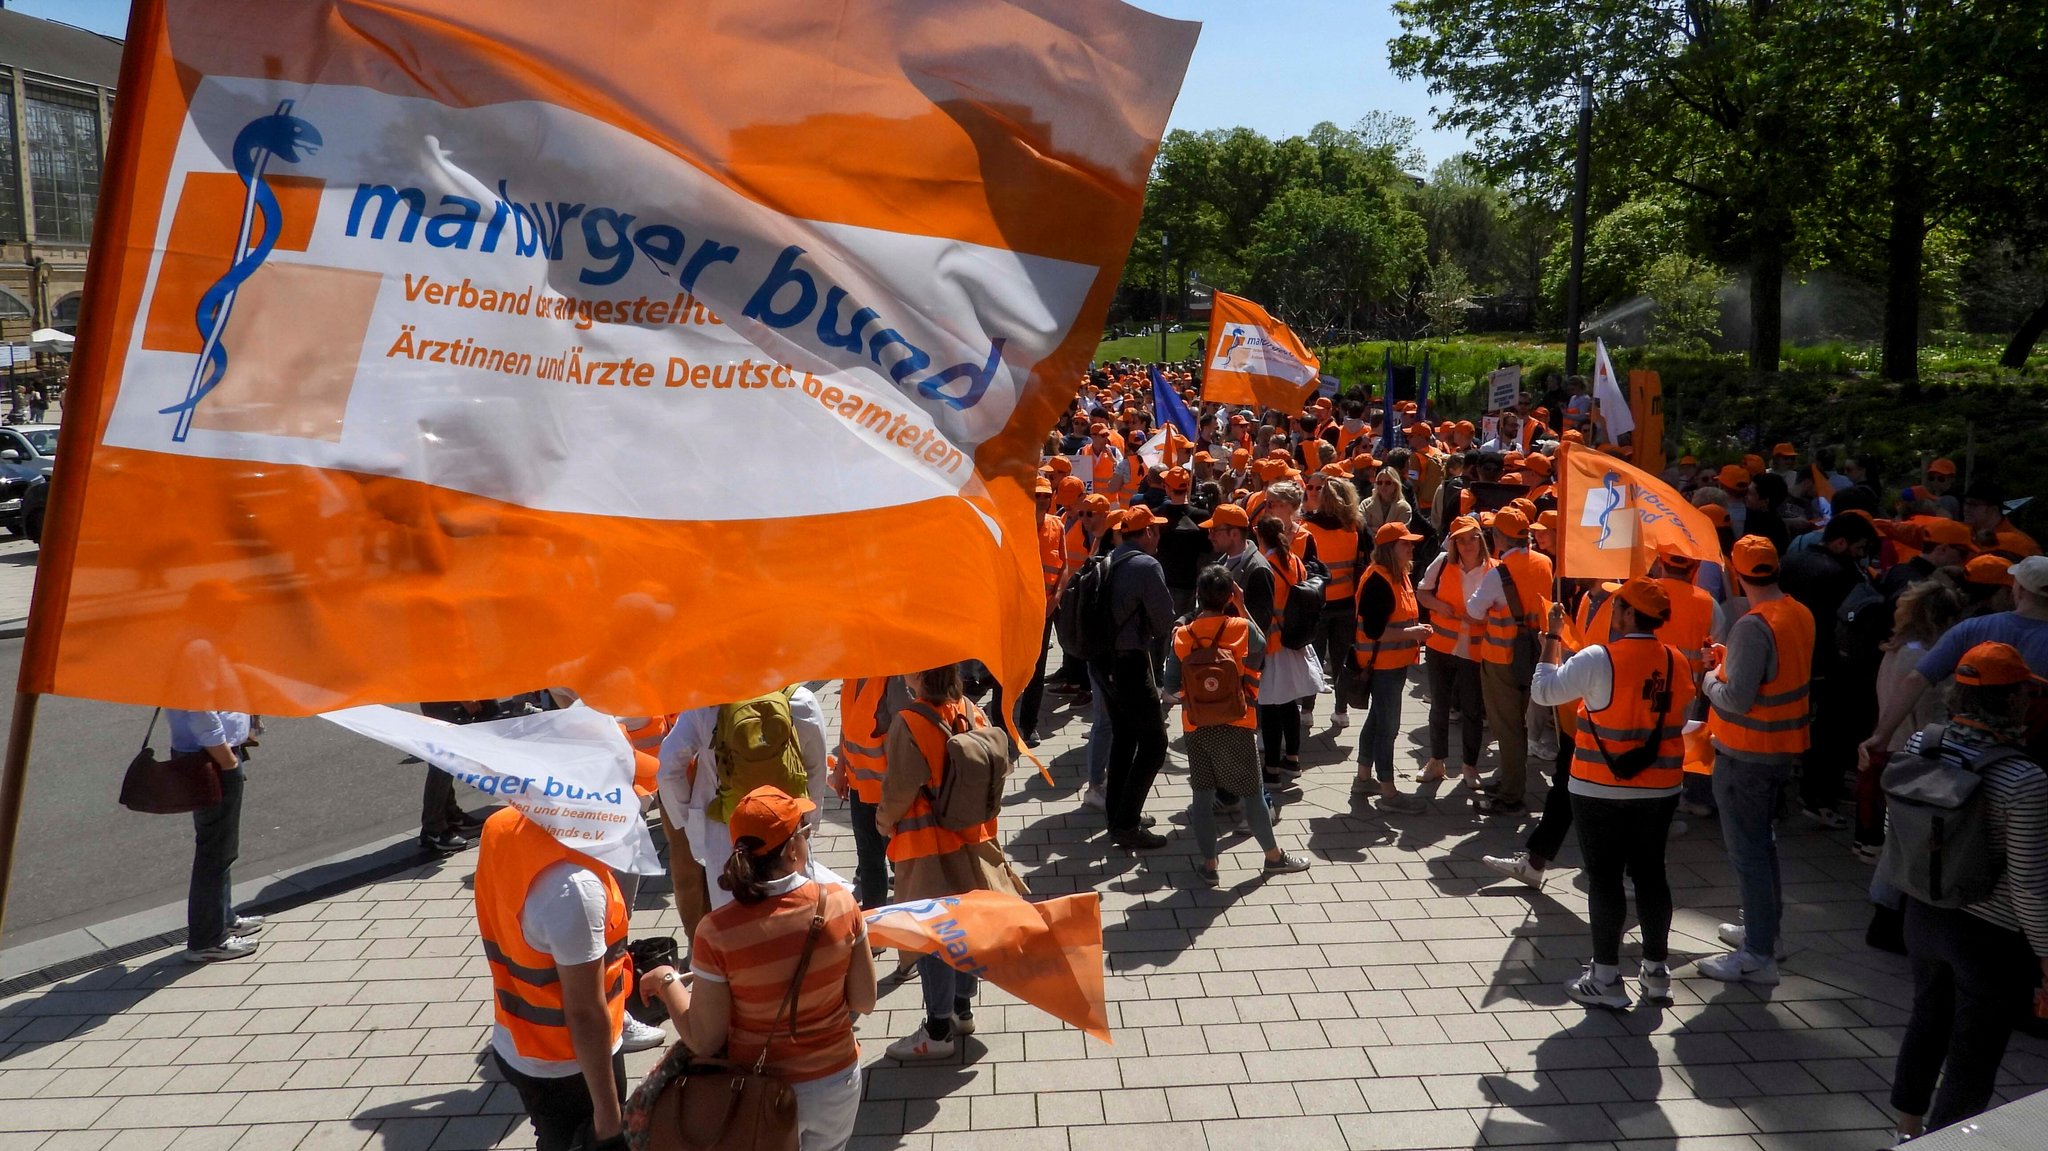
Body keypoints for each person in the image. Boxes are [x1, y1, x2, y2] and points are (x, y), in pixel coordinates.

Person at [637, 786, 876, 1151]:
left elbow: (705, 1038)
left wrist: (668, 982)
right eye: (804, 831)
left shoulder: (717, 931)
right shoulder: (841, 904)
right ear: (793, 848)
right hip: (836, 1079)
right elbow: (864, 999)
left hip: (755, 1089)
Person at [1881, 644, 2048, 1143]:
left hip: (1923, 915)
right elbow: (2029, 884)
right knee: (1974, 1050)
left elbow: (1898, 831)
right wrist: (2046, 953)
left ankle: (1907, 1129)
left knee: (1927, 1017)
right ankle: (1946, 1140)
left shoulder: (1920, 747)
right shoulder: (2024, 779)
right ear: (2015, 699)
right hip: (1990, 937)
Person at [1530, 578, 1694, 1008]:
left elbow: (1544, 690)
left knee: (1604, 877)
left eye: (1616, 605)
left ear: (1626, 614)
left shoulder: (1598, 657)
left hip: (1599, 787)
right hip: (1660, 787)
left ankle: (1605, 978)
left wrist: (1550, 636)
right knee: (1651, 874)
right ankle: (1657, 973)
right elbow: (1683, 712)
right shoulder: (1677, 661)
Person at [877, 665, 1029, 1058]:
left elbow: (898, 789)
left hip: (926, 844)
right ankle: (962, 1010)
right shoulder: (969, 708)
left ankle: (938, 1029)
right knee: (964, 928)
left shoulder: (909, 722)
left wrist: (882, 821)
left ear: (916, 676)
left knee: (934, 937)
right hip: (971, 840)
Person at [474, 805, 632, 1151]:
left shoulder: (500, 826)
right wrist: (608, 1114)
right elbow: (585, 1012)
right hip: (571, 1066)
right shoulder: (574, 887)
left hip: (517, 1040)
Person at [1698, 538, 1814, 983]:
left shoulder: (1751, 624)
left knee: (1748, 852)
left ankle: (1758, 954)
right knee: (1763, 847)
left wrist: (1710, 678)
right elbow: (1770, 678)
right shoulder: (1797, 612)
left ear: (1736, 571)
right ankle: (1767, 936)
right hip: (1779, 749)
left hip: (1746, 755)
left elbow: (1737, 698)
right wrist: (1729, 663)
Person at [1175, 566, 1313, 884]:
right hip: (1238, 722)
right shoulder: (1241, 628)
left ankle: (1210, 866)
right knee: (1252, 794)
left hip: (1196, 726)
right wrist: (1242, 604)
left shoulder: (1183, 636)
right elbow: (1263, 646)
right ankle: (1273, 858)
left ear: (1198, 596)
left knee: (1202, 796)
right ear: (1229, 596)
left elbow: (1171, 683)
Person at [656, 688, 831, 920]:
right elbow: (816, 769)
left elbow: (668, 769)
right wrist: (810, 822)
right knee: (798, 914)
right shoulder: (800, 700)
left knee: (734, 920)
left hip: (726, 832)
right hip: (787, 829)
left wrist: (687, 821)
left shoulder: (705, 705)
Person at [1780, 512, 1880, 828]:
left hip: (1789, 656)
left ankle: (1795, 793)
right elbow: (1849, 623)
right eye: (1859, 547)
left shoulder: (1793, 560)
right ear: (1840, 543)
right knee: (1829, 732)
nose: (1861, 555)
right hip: (1831, 663)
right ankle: (1819, 797)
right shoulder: (1842, 574)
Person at [1096, 505, 1176, 848]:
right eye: (1155, 530)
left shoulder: (1109, 559)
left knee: (1125, 736)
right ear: (1146, 534)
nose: (1158, 535)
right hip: (1129, 663)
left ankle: (1118, 814)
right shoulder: (1146, 565)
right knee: (1155, 744)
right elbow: (1163, 623)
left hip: (1102, 662)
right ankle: (1127, 824)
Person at [1465, 506, 1553, 815]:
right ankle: (1508, 780)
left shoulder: (1497, 574)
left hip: (1502, 658)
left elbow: (1474, 611)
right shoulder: (1545, 563)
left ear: (1499, 537)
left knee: (1508, 728)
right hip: (1538, 655)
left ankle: (1511, 793)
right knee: (1524, 724)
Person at [169, 708, 263, 963]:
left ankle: (222, 919)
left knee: (222, 847)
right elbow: (200, 713)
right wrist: (227, 760)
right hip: (210, 757)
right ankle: (208, 940)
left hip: (214, 754)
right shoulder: (191, 667)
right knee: (216, 850)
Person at [1352, 521, 1433, 812]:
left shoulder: (1395, 574)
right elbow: (1376, 631)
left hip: (1391, 663)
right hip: (1384, 664)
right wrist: (1414, 633)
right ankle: (1388, 792)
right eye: (1405, 543)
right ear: (1389, 549)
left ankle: (1363, 778)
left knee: (1377, 719)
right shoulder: (1379, 580)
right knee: (1388, 726)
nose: (1412, 547)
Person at [1416, 516, 1491, 789]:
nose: (1467, 544)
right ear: (1454, 543)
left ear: (1480, 539)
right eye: (1461, 539)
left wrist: (1483, 619)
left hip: (1474, 648)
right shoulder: (1442, 563)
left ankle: (1470, 766)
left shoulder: (1492, 569)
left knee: (1473, 709)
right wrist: (1437, 604)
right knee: (1439, 705)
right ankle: (1436, 761)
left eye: (1472, 538)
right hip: (1441, 646)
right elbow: (1422, 593)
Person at [832, 676, 911, 910]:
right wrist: (840, 768)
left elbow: (905, 733)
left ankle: (909, 916)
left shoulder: (893, 678)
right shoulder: (852, 674)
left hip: (889, 792)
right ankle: (874, 923)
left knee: (901, 859)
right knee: (868, 859)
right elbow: (847, 724)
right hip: (860, 787)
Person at [1301, 470, 1365, 731]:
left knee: (1312, 659)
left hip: (1318, 605)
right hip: (1347, 604)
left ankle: (1307, 710)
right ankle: (1341, 710)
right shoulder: (1356, 528)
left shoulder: (1306, 528)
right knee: (1341, 661)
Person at [418, 699, 511, 853]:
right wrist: (465, 699)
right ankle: (433, 830)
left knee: (447, 758)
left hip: (450, 692)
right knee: (444, 758)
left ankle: (450, 815)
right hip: (442, 693)